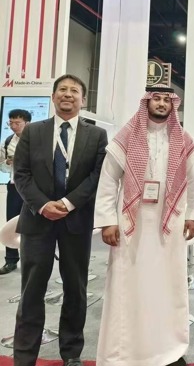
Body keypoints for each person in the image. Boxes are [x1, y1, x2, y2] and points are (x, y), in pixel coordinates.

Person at [94, 86, 194, 366]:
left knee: (168, 285)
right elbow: (108, 181)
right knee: (128, 285)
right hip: (133, 223)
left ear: (173, 105)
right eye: (156, 98)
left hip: (170, 224)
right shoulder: (126, 137)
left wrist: (193, 214)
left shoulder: (183, 139)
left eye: (167, 99)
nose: (162, 103)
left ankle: (168, 348)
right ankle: (124, 351)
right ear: (146, 102)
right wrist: (107, 220)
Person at [12, 74, 108, 366]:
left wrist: (67, 203)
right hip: (37, 220)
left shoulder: (97, 135)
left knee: (76, 289)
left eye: (74, 91)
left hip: (75, 221)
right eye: (62, 90)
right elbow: (21, 174)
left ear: (83, 99)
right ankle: (25, 356)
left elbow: (97, 176)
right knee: (31, 290)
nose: (68, 94)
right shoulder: (33, 132)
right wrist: (43, 205)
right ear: (53, 97)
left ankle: (71, 353)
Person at [0, 109, 31, 275]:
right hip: (14, 187)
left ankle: (31, 259)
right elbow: (4, 168)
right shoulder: (8, 141)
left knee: (32, 223)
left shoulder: (36, 139)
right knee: (11, 223)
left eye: (17, 123)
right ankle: (11, 260)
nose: (13, 126)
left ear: (27, 123)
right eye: (10, 123)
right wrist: (6, 163)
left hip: (32, 187)